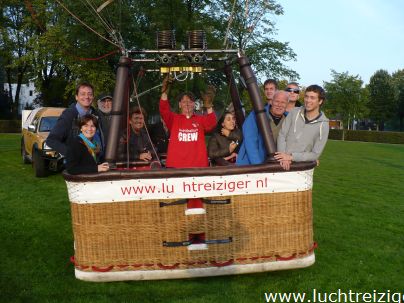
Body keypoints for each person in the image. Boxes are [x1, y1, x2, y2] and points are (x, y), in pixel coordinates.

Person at [159, 76, 217, 168]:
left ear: (194, 104)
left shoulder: (200, 119)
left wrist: (209, 106)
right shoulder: (173, 119)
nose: (187, 103)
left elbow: (212, 123)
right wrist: (164, 93)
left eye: (190, 101)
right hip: (175, 167)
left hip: (198, 167)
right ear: (179, 105)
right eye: (184, 101)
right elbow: (163, 109)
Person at [275, 85, 329, 171]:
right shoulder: (294, 112)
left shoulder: (324, 125)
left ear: (320, 101)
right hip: (281, 163)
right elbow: (282, 134)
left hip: (302, 169)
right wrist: (283, 156)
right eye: (306, 97)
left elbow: (315, 154)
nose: (308, 100)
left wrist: (291, 157)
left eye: (312, 98)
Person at [46, 82, 104, 157]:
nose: (87, 97)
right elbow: (51, 140)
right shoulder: (68, 116)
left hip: (95, 163)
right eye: (83, 94)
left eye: (90, 94)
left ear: (93, 97)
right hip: (77, 166)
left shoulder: (97, 115)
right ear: (76, 97)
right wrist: (71, 154)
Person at [236, 90, 289, 165]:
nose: (279, 105)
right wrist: (258, 165)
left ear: (287, 104)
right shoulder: (256, 115)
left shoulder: (289, 119)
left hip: (276, 164)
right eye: (277, 101)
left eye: (283, 102)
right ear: (271, 101)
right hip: (251, 164)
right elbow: (250, 141)